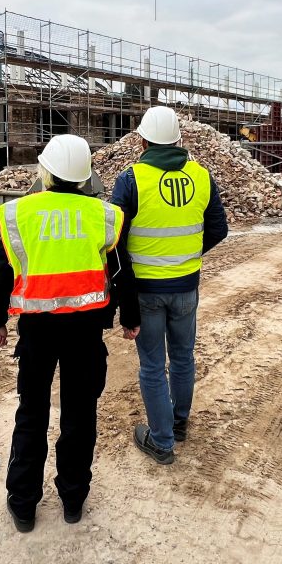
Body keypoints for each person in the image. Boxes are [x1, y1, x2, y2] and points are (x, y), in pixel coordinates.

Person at [0, 134, 140, 532]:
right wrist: (130, 316)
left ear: (46, 172)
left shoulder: (19, 213)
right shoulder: (103, 215)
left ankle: (23, 505)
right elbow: (121, 271)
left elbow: (2, 271)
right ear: (85, 176)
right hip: (85, 331)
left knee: (31, 413)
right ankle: (73, 498)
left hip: (36, 330)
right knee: (79, 414)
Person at [111, 107, 228, 465]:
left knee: (152, 365)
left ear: (142, 140)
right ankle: (178, 423)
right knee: (182, 356)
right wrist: (187, 253)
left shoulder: (131, 179)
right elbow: (219, 229)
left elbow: (114, 238)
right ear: (179, 139)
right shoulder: (201, 176)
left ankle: (162, 442)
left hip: (146, 290)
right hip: (186, 286)